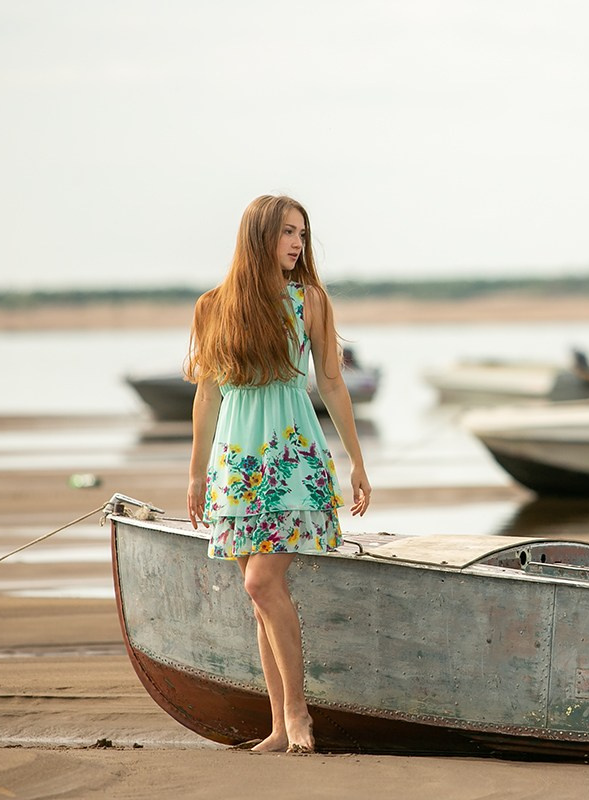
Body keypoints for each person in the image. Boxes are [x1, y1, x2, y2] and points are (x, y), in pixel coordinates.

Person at [184, 194, 372, 754]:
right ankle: (275, 726)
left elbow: (333, 383)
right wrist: (196, 476)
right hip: (236, 463)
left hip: (292, 457)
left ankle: (298, 713)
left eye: (302, 234)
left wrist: (357, 460)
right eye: (288, 232)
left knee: (261, 581)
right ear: (260, 236)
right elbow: (208, 394)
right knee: (260, 597)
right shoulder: (215, 306)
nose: (297, 244)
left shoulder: (308, 300)